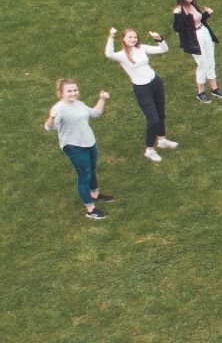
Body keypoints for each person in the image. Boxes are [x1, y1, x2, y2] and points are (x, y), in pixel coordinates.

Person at [105, 26, 178, 161]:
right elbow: (109, 54)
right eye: (129, 37)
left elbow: (164, 49)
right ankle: (149, 150)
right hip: (142, 89)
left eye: (135, 37)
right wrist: (111, 36)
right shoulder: (121, 55)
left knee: (161, 114)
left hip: (156, 82)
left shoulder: (141, 48)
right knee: (153, 120)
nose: (133, 39)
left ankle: (162, 140)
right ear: (124, 39)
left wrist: (159, 39)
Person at [44, 79, 113, 219]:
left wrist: (102, 99)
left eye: (75, 90)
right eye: (69, 91)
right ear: (61, 93)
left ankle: (94, 193)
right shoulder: (59, 108)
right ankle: (90, 208)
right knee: (84, 174)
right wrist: (51, 117)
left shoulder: (79, 103)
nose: (73, 93)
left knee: (92, 168)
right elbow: (48, 127)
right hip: (73, 146)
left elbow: (95, 113)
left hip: (89, 142)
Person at [171, 0, 222, 103]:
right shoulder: (180, 10)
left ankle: (214, 88)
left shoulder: (192, 5)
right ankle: (200, 92)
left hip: (204, 33)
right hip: (194, 39)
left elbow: (199, 20)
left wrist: (207, 14)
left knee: (210, 61)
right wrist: (177, 16)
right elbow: (177, 28)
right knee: (203, 64)